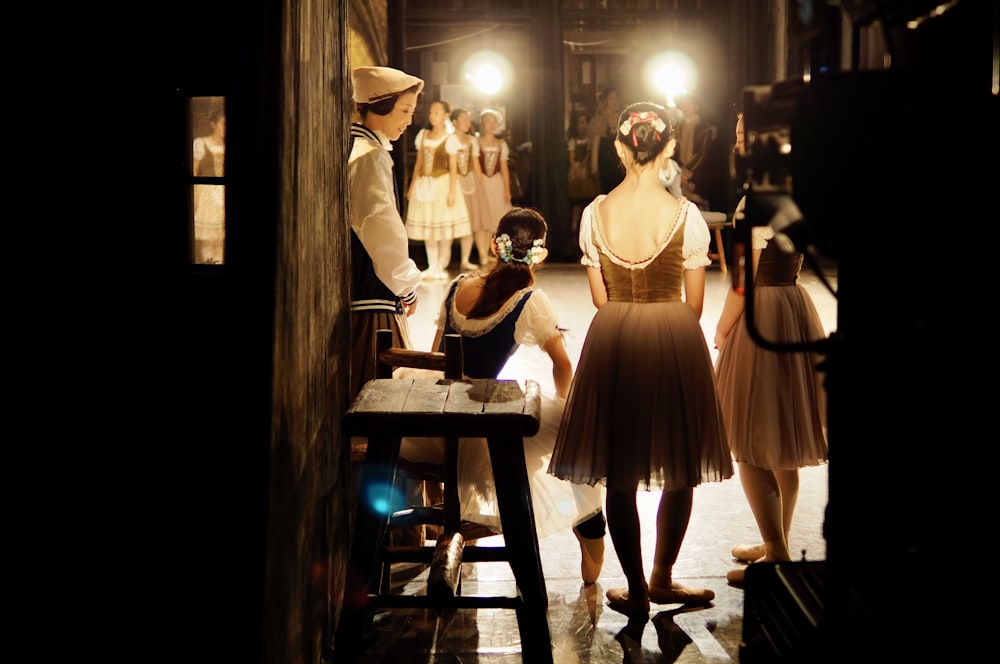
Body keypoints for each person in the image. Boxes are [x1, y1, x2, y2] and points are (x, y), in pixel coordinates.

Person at [549, 101, 733, 617]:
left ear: (618, 148)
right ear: (670, 146)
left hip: (615, 336)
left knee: (620, 471)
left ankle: (635, 589)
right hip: (673, 334)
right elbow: (694, 304)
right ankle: (662, 577)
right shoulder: (686, 216)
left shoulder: (594, 213)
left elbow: (599, 299)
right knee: (681, 463)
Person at [400, 207, 608, 585]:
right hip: (482, 422)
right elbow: (562, 365)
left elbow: (437, 360)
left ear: (495, 245)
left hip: (441, 413)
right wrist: (563, 408)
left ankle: (457, 526)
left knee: (535, 443)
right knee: (579, 447)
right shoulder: (529, 299)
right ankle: (590, 536)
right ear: (540, 254)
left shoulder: (456, 286)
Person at [713, 112, 829, 586]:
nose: (738, 143)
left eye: (745, 136)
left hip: (763, 310)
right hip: (794, 304)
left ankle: (777, 551)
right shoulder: (799, 187)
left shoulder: (754, 200)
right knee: (782, 435)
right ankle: (774, 539)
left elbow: (742, 283)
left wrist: (721, 330)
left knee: (752, 444)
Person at [348, 65, 425, 400]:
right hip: (373, 292)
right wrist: (407, 285)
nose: (408, 120)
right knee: (380, 394)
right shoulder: (370, 156)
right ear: (379, 107)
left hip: (362, 285)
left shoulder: (355, 147)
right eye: (404, 110)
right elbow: (381, 229)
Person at [405, 99, 473, 281]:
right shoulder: (423, 135)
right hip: (425, 183)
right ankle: (431, 265)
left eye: (436, 112)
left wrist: (452, 192)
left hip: (442, 183)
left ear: (445, 116)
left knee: (443, 228)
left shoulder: (450, 139)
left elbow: (453, 168)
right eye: (431, 112)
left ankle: (441, 265)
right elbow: (419, 162)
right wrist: (412, 186)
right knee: (428, 225)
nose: (432, 116)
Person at [449, 107, 485, 270]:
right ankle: (444, 261)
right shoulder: (450, 140)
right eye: (463, 119)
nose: (466, 123)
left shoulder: (472, 141)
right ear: (455, 122)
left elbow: (476, 165)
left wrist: (481, 185)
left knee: (470, 222)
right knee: (451, 222)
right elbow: (451, 167)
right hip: (454, 183)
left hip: (470, 183)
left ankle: (465, 259)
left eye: (468, 119)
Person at [474, 109, 513, 249]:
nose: (491, 124)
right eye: (488, 121)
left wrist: (507, 189)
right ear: (482, 124)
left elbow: (504, 168)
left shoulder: (501, 144)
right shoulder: (476, 142)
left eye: (494, 121)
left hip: (496, 183)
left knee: (497, 217)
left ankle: (495, 252)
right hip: (481, 181)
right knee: (482, 218)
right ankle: (482, 253)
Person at [192, 107, 226, 264]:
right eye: (223, 124)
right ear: (214, 124)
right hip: (207, 199)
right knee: (207, 245)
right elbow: (193, 172)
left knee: (221, 243)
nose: (225, 128)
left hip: (223, 200)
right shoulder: (201, 143)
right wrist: (194, 198)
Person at [674, 94, 717, 209]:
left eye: (689, 105)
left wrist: (687, 172)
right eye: (684, 105)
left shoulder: (705, 128)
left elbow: (702, 154)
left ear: (696, 107)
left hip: (698, 175)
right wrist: (677, 171)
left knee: (698, 207)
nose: (686, 107)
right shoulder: (677, 127)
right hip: (678, 174)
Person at [567, 110, 598, 234]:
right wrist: (576, 167)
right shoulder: (573, 141)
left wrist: (583, 167)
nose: (582, 125)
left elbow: (589, 155)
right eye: (579, 123)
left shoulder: (590, 140)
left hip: (586, 170)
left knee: (587, 198)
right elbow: (571, 157)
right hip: (575, 170)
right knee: (576, 201)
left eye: (584, 122)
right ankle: (574, 226)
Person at [588, 85, 623, 194]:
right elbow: (596, 143)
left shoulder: (620, 117)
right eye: (611, 98)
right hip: (606, 159)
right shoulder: (599, 118)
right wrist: (594, 165)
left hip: (619, 158)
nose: (614, 101)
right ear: (605, 100)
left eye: (615, 98)